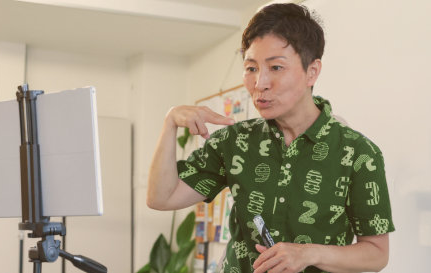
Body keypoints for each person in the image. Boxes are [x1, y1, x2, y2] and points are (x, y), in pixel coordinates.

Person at [147, 3, 395, 273]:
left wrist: (307, 254)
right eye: (251, 68)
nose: (260, 83)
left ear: (312, 71)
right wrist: (170, 122)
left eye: (276, 68)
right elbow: (162, 198)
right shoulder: (234, 141)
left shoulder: (358, 153)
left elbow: (376, 254)